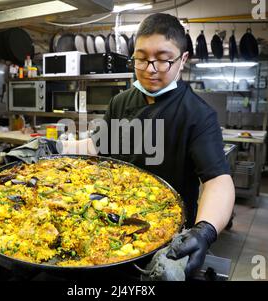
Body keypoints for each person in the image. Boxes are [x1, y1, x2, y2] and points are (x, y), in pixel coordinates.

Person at [62, 13, 235, 277]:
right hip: (110, 227)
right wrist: (54, 149)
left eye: (163, 60)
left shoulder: (197, 114)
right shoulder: (120, 102)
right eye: (141, 58)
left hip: (164, 238)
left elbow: (217, 181)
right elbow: (97, 147)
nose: (150, 68)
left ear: (182, 60)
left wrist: (205, 231)